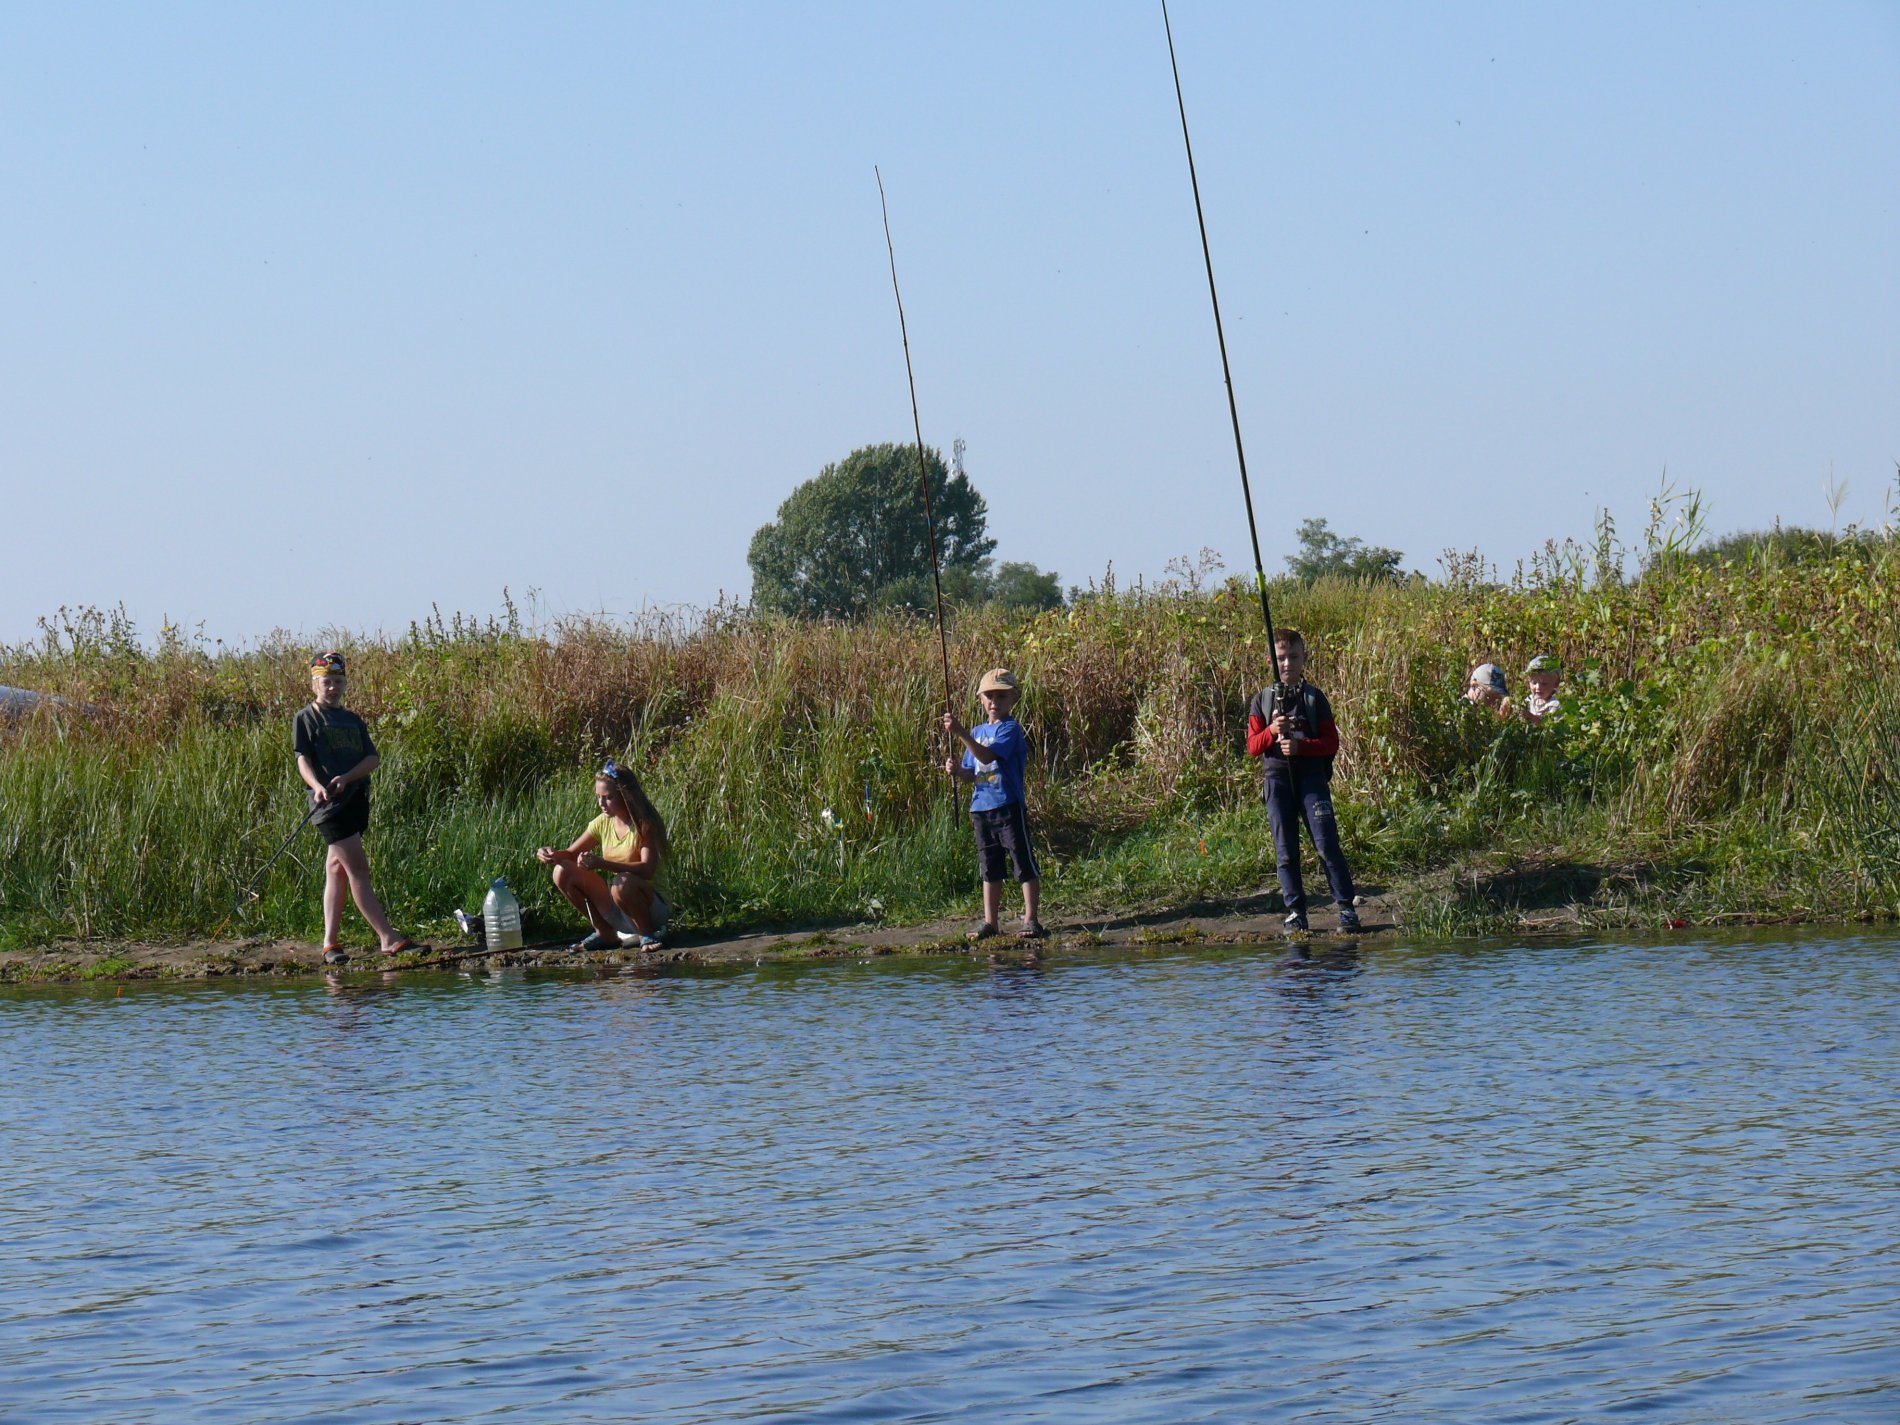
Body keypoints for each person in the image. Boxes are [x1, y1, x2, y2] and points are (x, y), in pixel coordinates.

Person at [293, 651, 421, 964]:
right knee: (358, 871)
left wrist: (346, 777)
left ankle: (330, 945)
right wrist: (318, 786)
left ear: (345, 684)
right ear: (314, 684)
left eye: (338, 682)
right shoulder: (306, 717)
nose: (332, 688)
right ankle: (388, 938)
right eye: (326, 682)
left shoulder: (353, 720)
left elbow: (372, 759)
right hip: (329, 808)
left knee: (336, 870)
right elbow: (302, 759)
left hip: (356, 801)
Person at [1246, 629, 1360, 934]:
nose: (1287, 663)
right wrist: (1272, 731)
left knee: (1326, 844)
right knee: (1285, 850)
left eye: (1293, 657)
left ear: (1303, 658)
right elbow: (1253, 746)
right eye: (1281, 658)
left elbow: (1331, 743)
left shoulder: (1314, 698)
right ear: (1271, 661)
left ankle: (1346, 908)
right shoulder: (1261, 701)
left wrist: (1300, 747)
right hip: (1277, 781)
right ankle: (1296, 912)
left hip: (1311, 779)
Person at [942, 667, 1043, 941]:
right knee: (989, 867)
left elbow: (987, 757)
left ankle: (1031, 919)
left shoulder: (1010, 729)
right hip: (981, 808)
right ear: (981, 699)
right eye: (989, 696)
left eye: (1001, 696)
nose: (994, 702)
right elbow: (972, 773)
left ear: (1012, 699)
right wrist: (957, 771)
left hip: (1008, 805)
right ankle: (991, 923)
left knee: (1022, 861)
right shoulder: (977, 731)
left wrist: (960, 732)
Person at [537, 760, 670, 950]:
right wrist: (550, 854)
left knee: (622, 882)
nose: (601, 803)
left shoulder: (645, 824)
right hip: (619, 903)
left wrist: (602, 863)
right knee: (562, 870)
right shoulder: (602, 822)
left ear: (626, 796)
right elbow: (570, 854)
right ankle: (605, 933)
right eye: (598, 797)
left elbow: (647, 870)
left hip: (651, 908)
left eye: (608, 797)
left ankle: (647, 935)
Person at [1522, 655, 1563, 721]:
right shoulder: (1529, 700)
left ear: (1556, 684)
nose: (1538, 687)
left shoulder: (1555, 704)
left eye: (1544, 684)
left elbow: (1549, 725)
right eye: (1534, 683)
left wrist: (1530, 717)